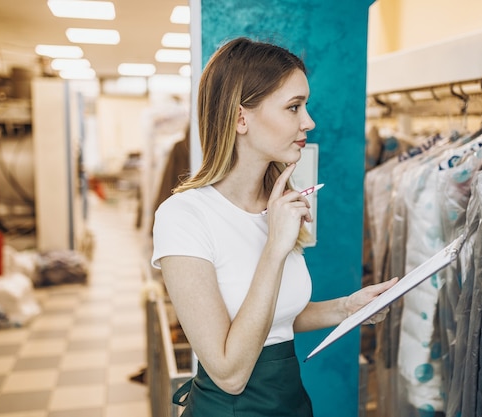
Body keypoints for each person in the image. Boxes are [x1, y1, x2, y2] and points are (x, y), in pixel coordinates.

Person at [151, 37, 398, 417]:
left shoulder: (277, 205)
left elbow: (275, 319)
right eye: (293, 107)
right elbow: (229, 372)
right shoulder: (183, 216)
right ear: (240, 118)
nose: (309, 122)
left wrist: (348, 308)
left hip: (291, 404)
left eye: (305, 106)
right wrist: (274, 249)